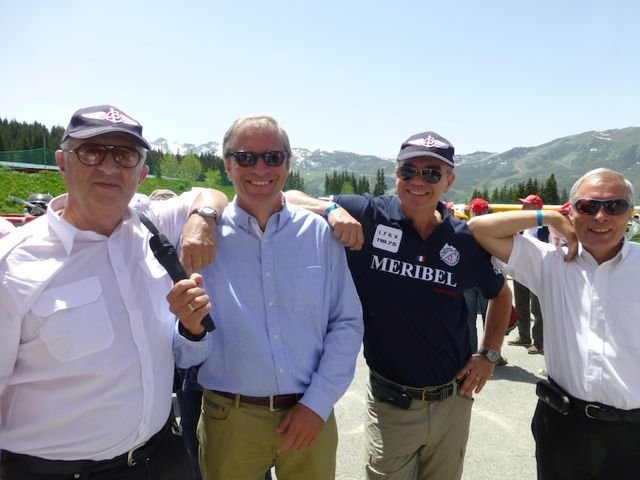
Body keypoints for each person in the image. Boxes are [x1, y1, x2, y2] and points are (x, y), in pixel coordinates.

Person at [0, 104, 228, 480]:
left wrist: (201, 219)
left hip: (163, 457)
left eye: (124, 155)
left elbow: (209, 193)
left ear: (141, 173)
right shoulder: (12, 264)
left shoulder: (151, 227)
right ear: (62, 163)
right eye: (91, 152)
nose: (109, 167)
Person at [285, 130, 512, 480]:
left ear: (449, 181)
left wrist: (489, 354)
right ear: (396, 174)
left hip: (453, 403)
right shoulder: (369, 214)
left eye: (431, 173)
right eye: (408, 171)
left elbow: (501, 293)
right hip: (392, 403)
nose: (417, 181)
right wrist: (331, 209)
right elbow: (288, 197)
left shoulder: (464, 240)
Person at [170, 115, 363, 480]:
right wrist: (189, 331)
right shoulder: (200, 239)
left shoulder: (319, 235)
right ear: (227, 164)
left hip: (312, 414)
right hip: (230, 420)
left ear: (287, 164)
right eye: (245, 157)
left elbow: (347, 323)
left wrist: (317, 404)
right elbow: (183, 355)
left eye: (272, 157)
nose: (260, 168)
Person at [468, 167, 640, 479]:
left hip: (631, 434)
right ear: (571, 212)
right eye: (588, 206)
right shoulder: (550, 262)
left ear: (630, 214)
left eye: (615, 206)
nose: (601, 216)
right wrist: (546, 217)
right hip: (562, 426)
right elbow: (479, 227)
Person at [463, 198, 510, 365]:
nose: (475, 214)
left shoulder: (463, 228)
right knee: (488, 318)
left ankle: (473, 355)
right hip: (485, 279)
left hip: (473, 280)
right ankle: (491, 355)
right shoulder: (494, 230)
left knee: (472, 319)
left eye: (476, 211)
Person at [508, 194, 546, 355]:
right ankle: (524, 337)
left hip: (538, 273)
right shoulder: (522, 225)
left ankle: (539, 342)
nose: (522, 207)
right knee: (521, 306)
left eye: (526, 205)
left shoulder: (545, 227)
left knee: (538, 310)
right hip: (521, 271)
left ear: (536, 208)